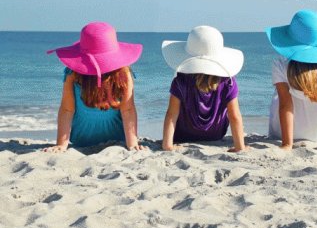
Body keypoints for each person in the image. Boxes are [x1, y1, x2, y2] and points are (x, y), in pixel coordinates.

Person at [44, 22, 145, 152]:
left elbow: (128, 109)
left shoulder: (124, 74)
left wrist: (132, 144)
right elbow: (67, 109)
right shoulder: (73, 74)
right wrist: (61, 145)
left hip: (115, 140)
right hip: (84, 140)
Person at [265, 10, 317, 152]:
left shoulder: (280, 64)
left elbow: (286, 106)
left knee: (280, 100)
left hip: (281, 133)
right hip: (316, 135)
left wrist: (287, 144)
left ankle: (288, 141)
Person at [161, 25, 249, 152]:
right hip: (215, 135)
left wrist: (167, 145)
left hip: (183, 136)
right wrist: (240, 147)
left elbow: (172, 114)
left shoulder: (180, 80)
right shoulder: (227, 82)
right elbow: (234, 116)